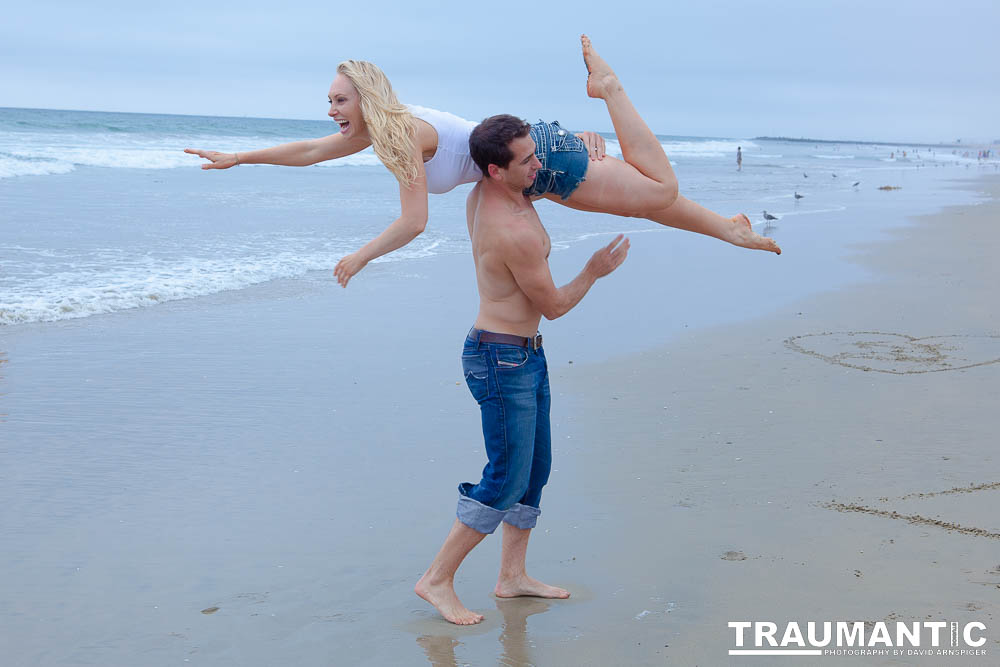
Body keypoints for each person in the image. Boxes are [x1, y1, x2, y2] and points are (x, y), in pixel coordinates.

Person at [185, 36, 779, 288]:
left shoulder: (403, 137)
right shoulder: (384, 130)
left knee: (658, 189)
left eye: (340, 100)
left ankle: (610, 89)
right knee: (654, 205)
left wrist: (360, 255)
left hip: (536, 162)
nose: (332, 111)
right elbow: (311, 152)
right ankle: (731, 230)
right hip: (526, 162)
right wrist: (238, 157)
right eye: (331, 101)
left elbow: (414, 222)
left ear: (365, 98)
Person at [414, 114, 629, 625]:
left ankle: (512, 578)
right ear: (494, 170)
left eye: (536, 153)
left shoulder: (507, 191)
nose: (538, 165)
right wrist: (594, 271)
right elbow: (553, 304)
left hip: (523, 352)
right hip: (500, 357)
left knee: (535, 471)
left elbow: (549, 156)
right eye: (528, 160)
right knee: (506, 478)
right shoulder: (512, 231)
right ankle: (436, 579)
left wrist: (581, 138)